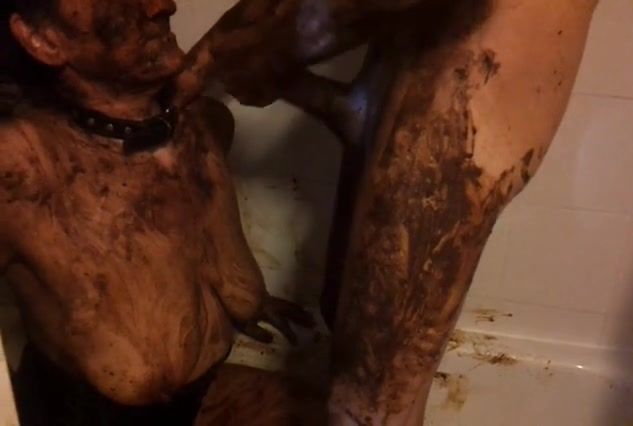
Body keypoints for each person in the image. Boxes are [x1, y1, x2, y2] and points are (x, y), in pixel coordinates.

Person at [176, 0, 601, 424]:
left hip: (451, 141)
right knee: (358, 376)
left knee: (367, 410)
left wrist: (213, 56)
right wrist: (293, 83)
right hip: (434, 118)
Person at [0, 0, 313, 424]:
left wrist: (245, 298)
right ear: (44, 40)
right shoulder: (20, 169)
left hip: (203, 396)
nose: (164, 5)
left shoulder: (198, 122)